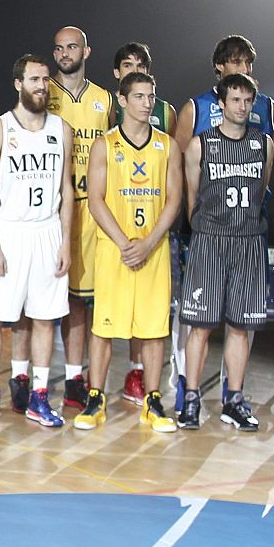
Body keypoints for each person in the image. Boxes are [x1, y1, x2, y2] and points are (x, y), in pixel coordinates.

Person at [74, 72, 184, 432]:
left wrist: (150, 243)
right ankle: (96, 397)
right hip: (115, 250)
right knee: (104, 326)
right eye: (138, 96)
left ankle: (153, 401)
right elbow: (96, 200)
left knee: (153, 328)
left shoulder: (167, 145)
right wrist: (124, 243)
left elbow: (174, 200)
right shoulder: (105, 145)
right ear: (121, 100)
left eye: (150, 96)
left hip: (152, 250)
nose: (146, 103)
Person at [0, 55, 74, 428]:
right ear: (18, 84)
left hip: (47, 231)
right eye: (34, 79)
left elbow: (66, 190)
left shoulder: (62, 129)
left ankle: (39, 399)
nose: (41, 86)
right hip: (10, 232)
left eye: (45, 80)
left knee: (45, 318)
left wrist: (65, 243)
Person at [177, 73, 274, 431]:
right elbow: (191, 196)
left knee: (240, 326)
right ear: (221, 104)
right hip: (210, 240)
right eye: (235, 100)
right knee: (200, 326)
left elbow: (262, 187)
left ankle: (234, 399)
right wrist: (204, 230)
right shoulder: (201, 144)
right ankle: (190, 399)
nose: (242, 107)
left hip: (248, 240)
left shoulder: (264, 143)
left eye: (248, 101)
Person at [46, 27, 117, 413]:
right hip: (55, 211)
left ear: (86, 50)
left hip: (94, 209)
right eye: (58, 48)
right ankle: (67, 379)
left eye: (71, 46)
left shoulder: (104, 99)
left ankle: (94, 382)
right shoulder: (45, 93)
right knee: (64, 303)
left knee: (93, 302)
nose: (65, 53)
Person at [110, 42, 177, 405]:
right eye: (127, 64)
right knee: (97, 311)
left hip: (152, 226)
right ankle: (90, 386)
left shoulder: (165, 115)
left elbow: (174, 180)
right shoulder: (107, 111)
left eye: (141, 65)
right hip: (110, 225)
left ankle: (140, 375)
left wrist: (152, 238)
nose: (145, 101)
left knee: (151, 314)